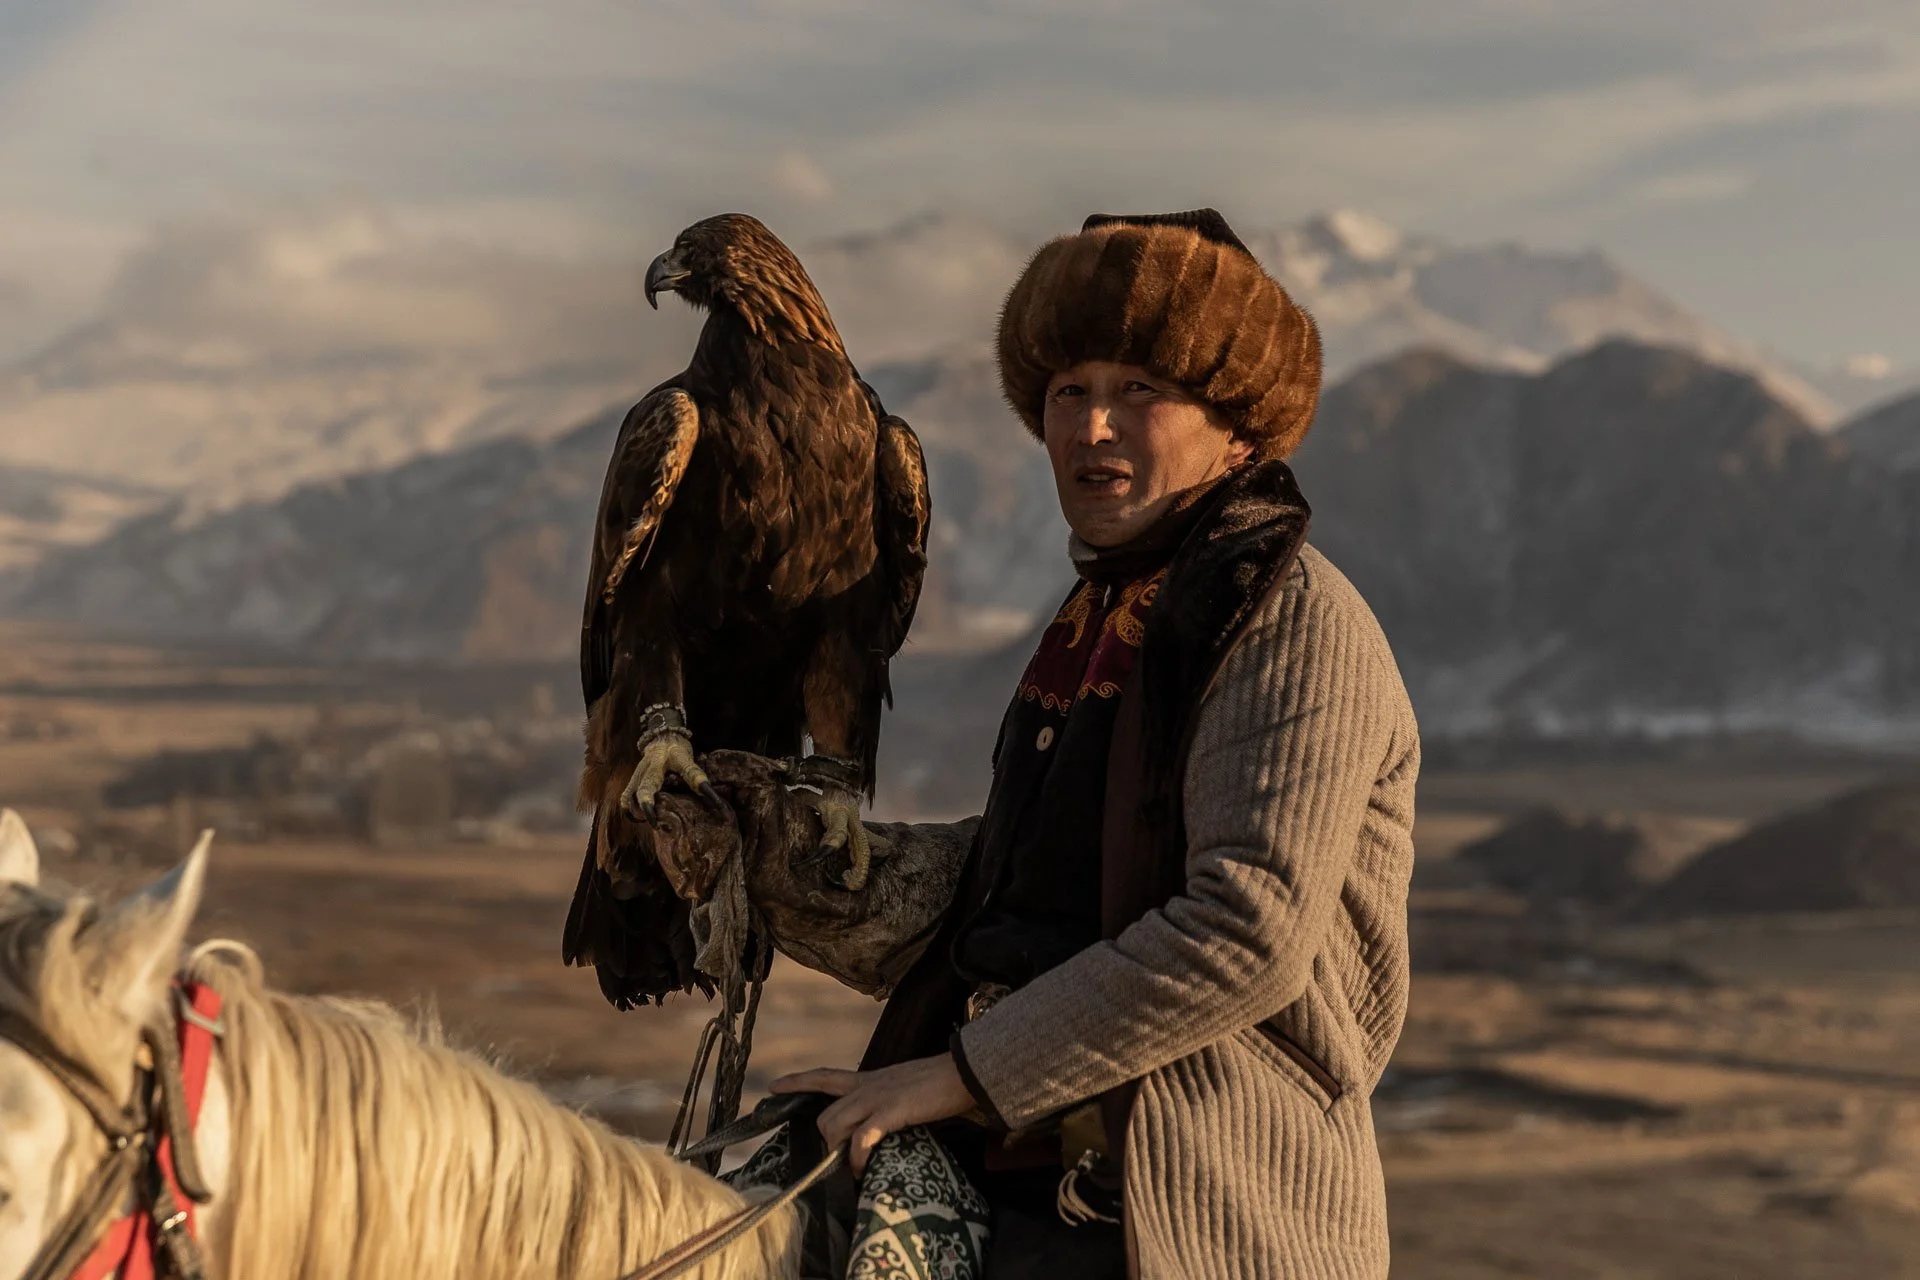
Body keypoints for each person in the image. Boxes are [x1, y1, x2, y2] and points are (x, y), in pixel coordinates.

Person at [769, 208, 1420, 1279]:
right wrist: (795, 865)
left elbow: (1244, 927)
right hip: (1033, 1177)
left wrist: (959, 1074)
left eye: (1140, 391)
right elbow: (1040, 886)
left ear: (1240, 423)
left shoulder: (1294, 617)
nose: (1092, 427)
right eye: (1070, 390)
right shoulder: (1106, 618)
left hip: (1199, 1212)